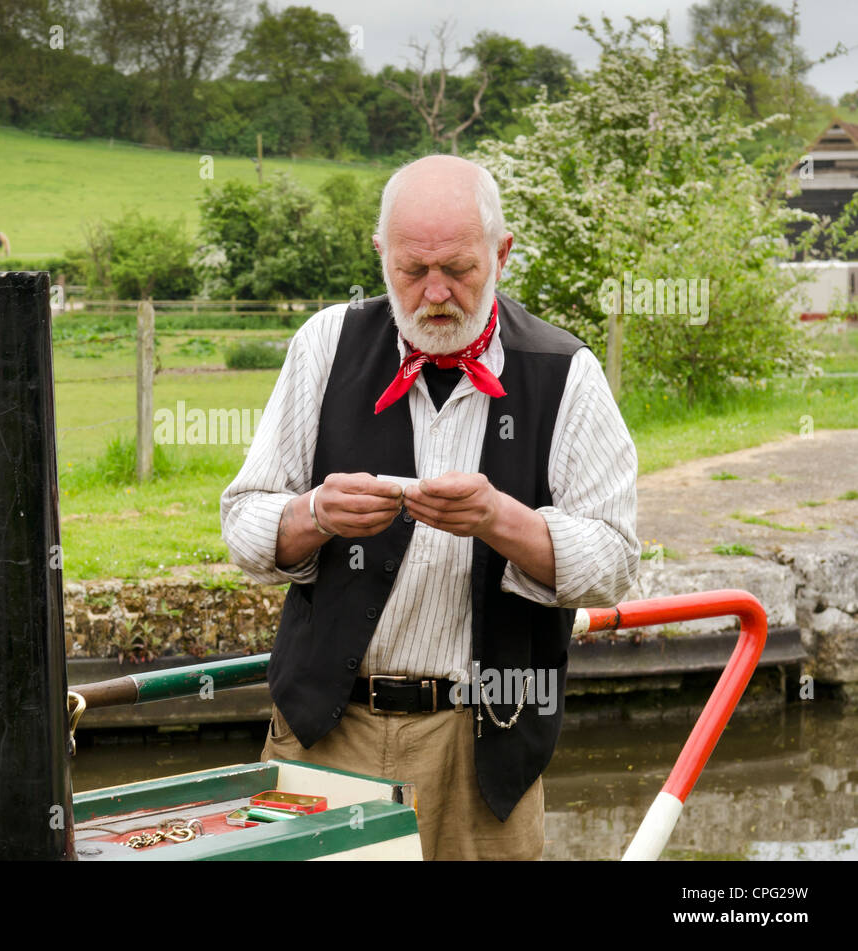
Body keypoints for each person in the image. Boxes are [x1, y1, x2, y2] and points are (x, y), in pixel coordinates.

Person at [220, 155, 639, 860]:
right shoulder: (327, 345)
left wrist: (502, 521)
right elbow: (243, 525)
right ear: (381, 255)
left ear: (502, 254)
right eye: (412, 271)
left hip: (485, 748)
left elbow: (616, 563)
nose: (435, 293)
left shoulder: (566, 372)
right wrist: (314, 513)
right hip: (327, 732)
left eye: (459, 268)